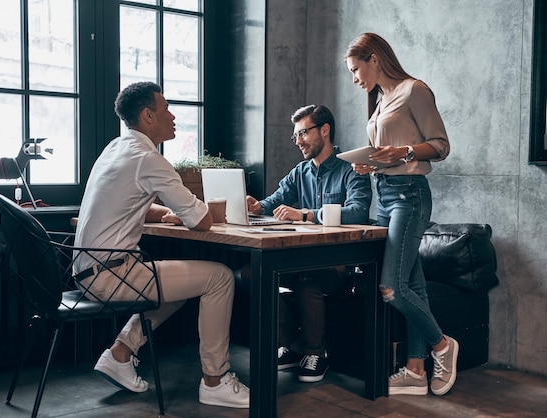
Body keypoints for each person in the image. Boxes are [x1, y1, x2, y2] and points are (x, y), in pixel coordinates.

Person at [73, 81, 249, 409]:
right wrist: (192, 211)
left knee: (181, 281)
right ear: (147, 115)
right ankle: (216, 379)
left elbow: (132, 203)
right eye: (166, 108)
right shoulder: (149, 158)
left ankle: (120, 353)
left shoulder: (116, 148)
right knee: (220, 277)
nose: (172, 115)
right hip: (111, 275)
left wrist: (170, 213)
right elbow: (202, 221)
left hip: (87, 270)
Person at [344, 32, 456, 396]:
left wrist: (404, 152)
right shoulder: (380, 99)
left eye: (355, 69)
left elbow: (440, 146)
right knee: (413, 285)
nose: (355, 79)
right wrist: (371, 165)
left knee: (391, 288)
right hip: (385, 195)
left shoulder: (414, 90)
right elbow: (386, 153)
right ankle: (414, 367)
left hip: (410, 196)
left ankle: (442, 346)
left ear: (374, 58)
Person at [245, 104, 372, 382]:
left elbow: (358, 211)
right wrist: (256, 207)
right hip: (302, 257)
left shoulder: (352, 170)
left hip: (339, 263)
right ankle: (291, 346)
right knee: (253, 273)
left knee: (308, 281)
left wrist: (306, 214)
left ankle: (317, 352)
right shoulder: (300, 171)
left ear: (324, 130)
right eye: (296, 136)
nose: (298, 141)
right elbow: (274, 200)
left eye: (303, 133)